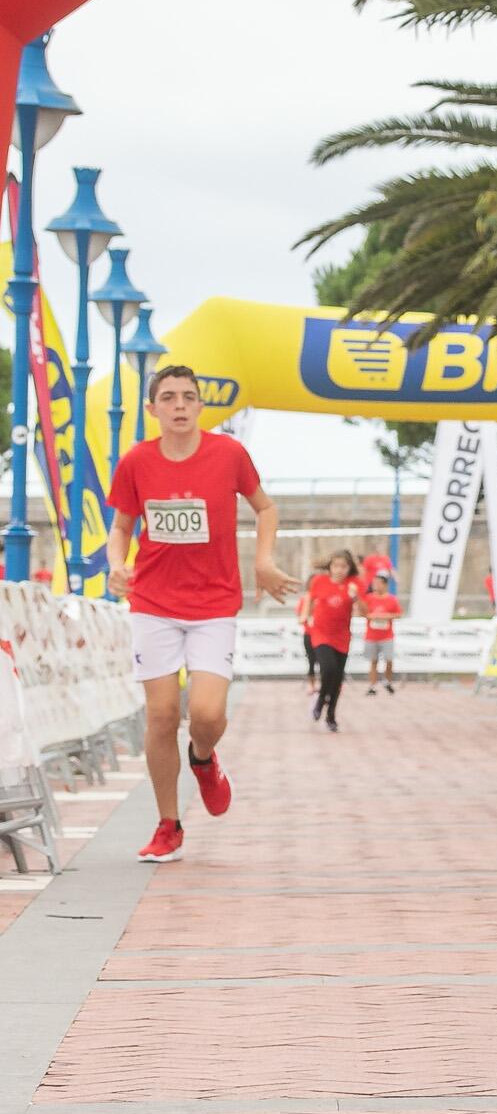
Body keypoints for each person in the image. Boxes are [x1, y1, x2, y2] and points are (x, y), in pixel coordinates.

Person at [106, 364, 297, 863]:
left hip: (214, 604)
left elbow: (267, 508)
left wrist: (263, 560)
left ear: (200, 406)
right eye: (168, 398)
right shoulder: (136, 463)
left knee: (207, 714)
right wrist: (116, 566)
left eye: (188, 397)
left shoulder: (228, 454)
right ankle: (168, 825)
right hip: (153, 603)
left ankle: (204, 759)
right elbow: (122, 527)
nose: (179, 405)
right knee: (162, 714)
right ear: (153, 410)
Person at [305, 550, 369, 731]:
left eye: (343, 566)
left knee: (337, 678)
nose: (339, 570)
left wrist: (355, 596)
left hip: (342, 636)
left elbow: (366, 612)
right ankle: (320, 701)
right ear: (330, 567)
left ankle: (331, 714)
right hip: (321, 633)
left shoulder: (355, 584)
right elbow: (310, 598)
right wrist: (307, 615)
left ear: (349, 568)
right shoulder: (319, 581)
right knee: (329, 668)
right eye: (335, 566)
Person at [363, 572, 401, 695]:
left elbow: (399, 614)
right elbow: (362, 612)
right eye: (374, 583)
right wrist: (371, 616)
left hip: (387, 636)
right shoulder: (369, 598)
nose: (375, 585)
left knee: (389, 660)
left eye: (378, 583)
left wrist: (385, 616)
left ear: (385, 585)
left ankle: (387, 682)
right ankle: (372, 686)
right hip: (371, 635)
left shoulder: (392, 599)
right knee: (373, 661)